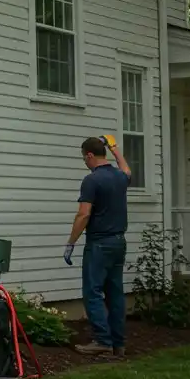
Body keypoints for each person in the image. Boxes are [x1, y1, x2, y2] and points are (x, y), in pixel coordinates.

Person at [64, 134, 132, 357]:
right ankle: (118, 344)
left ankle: (103, 340)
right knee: (115, 293)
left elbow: (83, 215)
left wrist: (71, 243)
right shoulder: (119, 177)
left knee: (92, 292)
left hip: (100, 244)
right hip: (119, 243)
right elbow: (127, 170)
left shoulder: (91, 180)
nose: (85, 162)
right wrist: (114, 147)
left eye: (84, 158)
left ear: (90, 155)